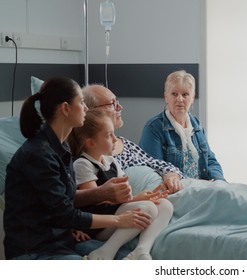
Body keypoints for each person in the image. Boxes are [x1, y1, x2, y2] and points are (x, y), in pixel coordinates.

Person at [3, 77, 152, 260]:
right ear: (66, 108)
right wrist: (118, 220)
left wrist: (102, 196)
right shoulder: (38, 155)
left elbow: (63, 199)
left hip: (63, 242)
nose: (86, 108)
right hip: (35, 251)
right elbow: (64, 214)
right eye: (81, 102)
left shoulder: (61, 148)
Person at [68, 110, 173, 260]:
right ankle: (104, 252)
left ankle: (141, 250)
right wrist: (137, 199)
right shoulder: (83, 164)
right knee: (147, 208)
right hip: (99, 224)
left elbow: (123, 197)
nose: (115, 139)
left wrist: (142, 197)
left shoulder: (112, 162)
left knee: (164, 205)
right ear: (91, 142)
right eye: (108, 135)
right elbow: (96, 201)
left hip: (115, 213)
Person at [77, 84, 184, 206]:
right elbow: (96, 201)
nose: (120, 107)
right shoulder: (89, 159)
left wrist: (171, 176)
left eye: (117, 101)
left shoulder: (125, 143)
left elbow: (157, 164)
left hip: (171, 188)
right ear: (91, 111)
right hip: (147, 201)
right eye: (112, 104)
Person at [139, 70, 225, 181]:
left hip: (202, 187)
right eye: (174, 94)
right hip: (175, 191)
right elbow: (152, 170)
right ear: (166, 97)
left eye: (185, 94)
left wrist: (219, 181)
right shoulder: (153, 128)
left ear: (192, 98)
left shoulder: (197, 126)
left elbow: (211, 161)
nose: (180, 99)